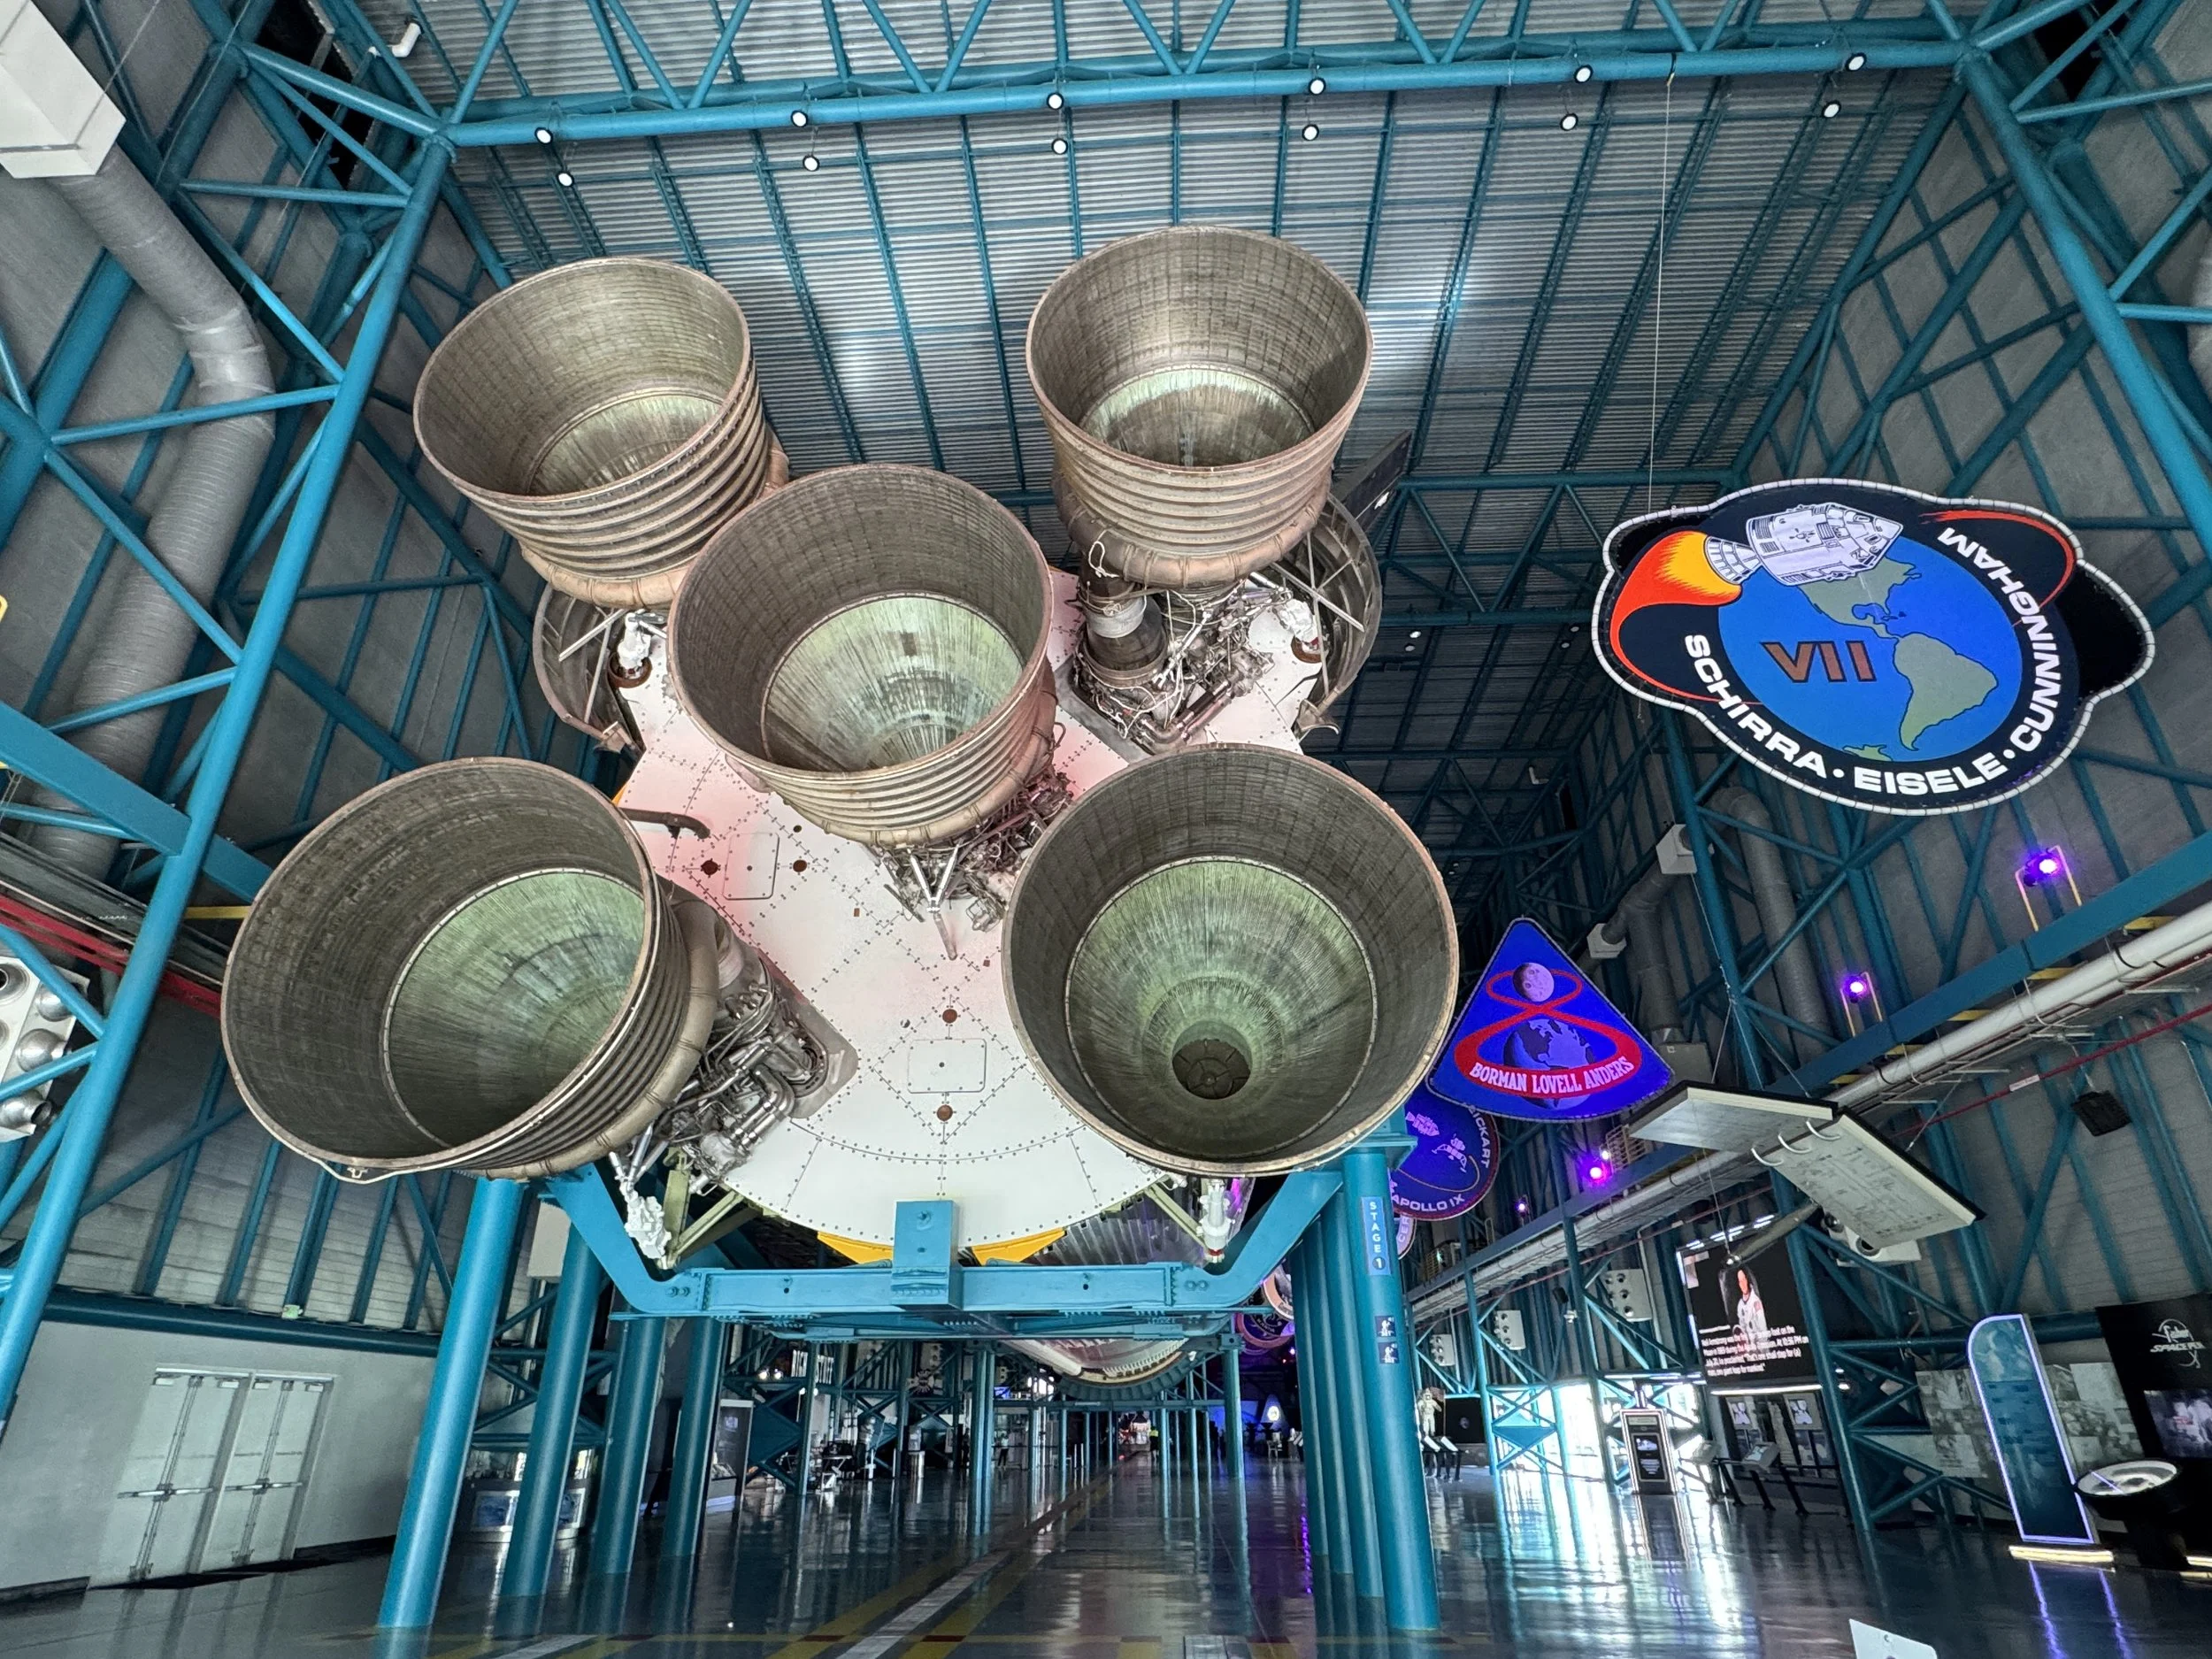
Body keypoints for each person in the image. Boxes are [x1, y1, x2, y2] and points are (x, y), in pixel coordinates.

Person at [1732, 1267, 1769, 1356]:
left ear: (1747, 1280)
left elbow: (1763, 1329)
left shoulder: (1756, 1302)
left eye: (1744, 1280)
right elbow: (1742, 1327)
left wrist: (1761, 1350)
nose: (1742, 1284)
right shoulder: (1740, 1305)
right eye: (1740, 1281)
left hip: (1761, 1350)